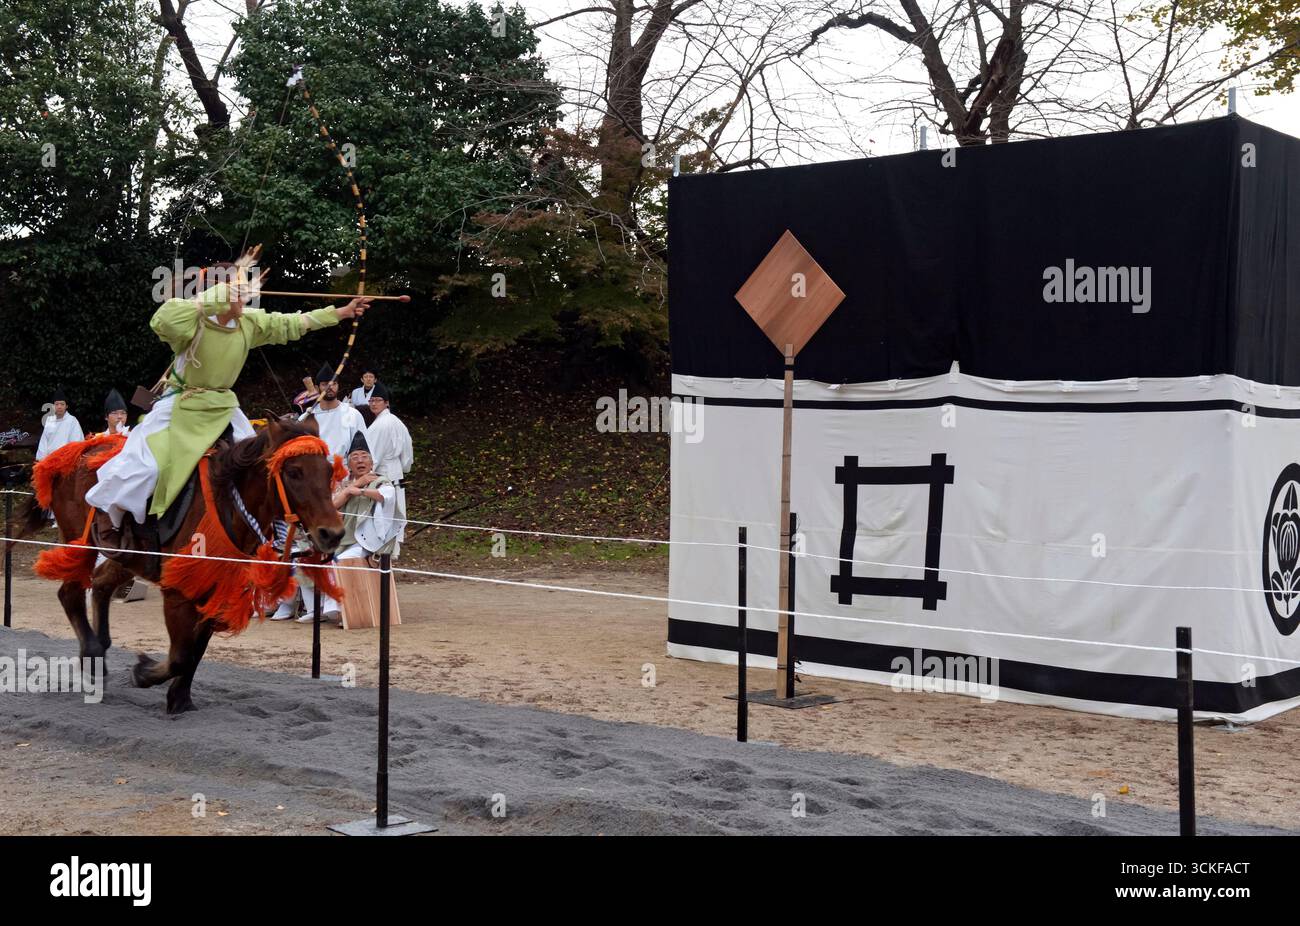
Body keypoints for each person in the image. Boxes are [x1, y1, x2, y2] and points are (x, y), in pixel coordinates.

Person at [86, 250, 371, 550]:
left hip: (223, 408)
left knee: (264, 468)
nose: (246, 300)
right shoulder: (193, 322)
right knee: (143, 464)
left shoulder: (248, 323)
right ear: (220, 295)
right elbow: (162, 320)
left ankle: (274, 531)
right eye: (239, 293)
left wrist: (342, 312)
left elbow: (292, 324)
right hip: (182, 405)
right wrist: (214, 296)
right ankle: (113, 520)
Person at [364, 382, 412, 558]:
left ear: (386, 403)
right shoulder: (397, 422)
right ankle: (391, 552)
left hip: (384, 475)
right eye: (371, 400)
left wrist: (364, 476)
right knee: (393, 513)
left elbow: (372, 457)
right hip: (396, 472)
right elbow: (408, 457)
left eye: (378, 400)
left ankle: (385, 553)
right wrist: (403, 468)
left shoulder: (380, 425)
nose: (374, 404)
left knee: (384, 515)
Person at [300, 364, 365, 461]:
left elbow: (364, 447)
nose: (330, 387)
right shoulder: (306, 418)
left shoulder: (352, 414)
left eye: (334, 383)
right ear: (317, 388)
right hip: (317, 471)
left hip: (345, 470)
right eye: (325, 384)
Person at [35, 389, 84, 461]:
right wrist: (41, 460)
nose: (59, 407)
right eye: (57, 404)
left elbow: (76, 443)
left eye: (62, 404)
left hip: (66, 460)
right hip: (49, 460)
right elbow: (44, 442)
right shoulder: (49, 420)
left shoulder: (72, 421)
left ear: (66, 406)